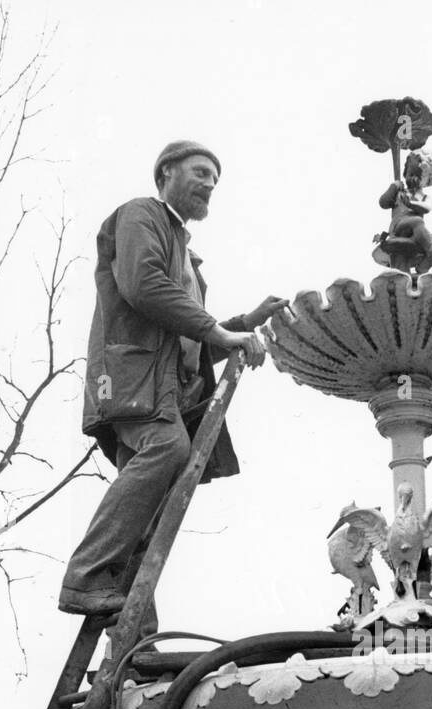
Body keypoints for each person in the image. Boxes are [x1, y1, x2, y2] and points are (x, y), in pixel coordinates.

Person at [59, 140, 288, 620]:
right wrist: (220, 330)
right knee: (168, 449)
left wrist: (244, 322)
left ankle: (133, 641)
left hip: (166, 389)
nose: (209, 184)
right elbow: (144, 287)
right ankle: (85, 577)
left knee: (149, 510)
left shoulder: (186, 251)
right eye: (200, 172)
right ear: (165, 172)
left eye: (214, 179)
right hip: (135, 382)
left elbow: (189, 334)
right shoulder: (141, 216)